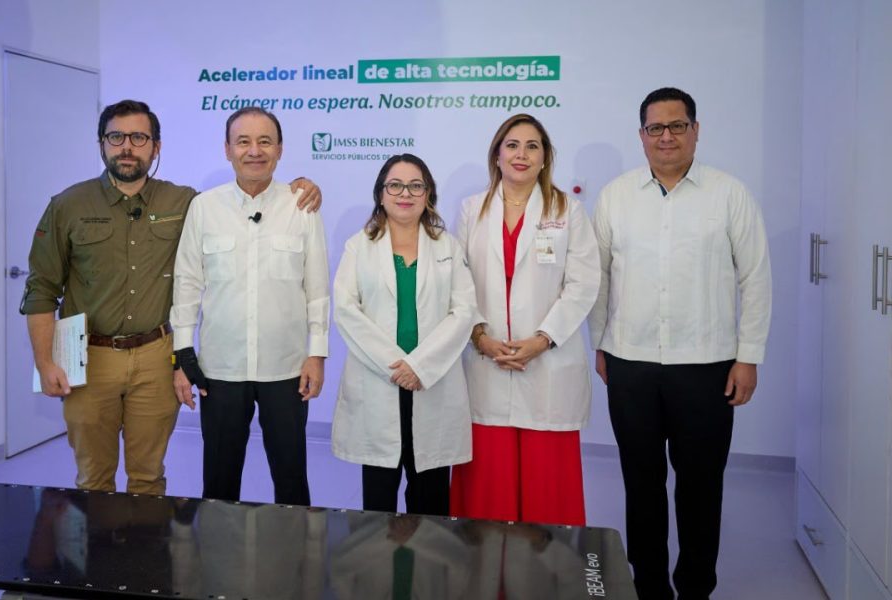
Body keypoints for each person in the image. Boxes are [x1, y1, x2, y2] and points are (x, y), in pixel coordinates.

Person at [21, 99, 321, 495]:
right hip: (90, 358)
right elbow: (41, 289)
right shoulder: (68, 205)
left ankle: (145, 540)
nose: (127, 147)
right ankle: (99, 539)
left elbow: (245, 195)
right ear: (101, 144)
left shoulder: (185, 203)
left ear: (156, 146)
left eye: (139, 137)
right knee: (93, 478)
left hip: (155, 357)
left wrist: (302, 185)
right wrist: (45, 363)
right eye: (116, 137)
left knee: (148, 477)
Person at [588, 87, 772, 600]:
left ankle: (694, 588)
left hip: (706, 366)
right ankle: (648, 586)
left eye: (677, 125)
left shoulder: (729, 194)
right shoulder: (616, 196)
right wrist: (600, 343)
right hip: (630, 363)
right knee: (641, 483)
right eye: (656, 127)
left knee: (701, 486)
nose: (666, 136)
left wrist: (749, 356)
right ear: (641, 135)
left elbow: (755, 278)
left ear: (695, 130)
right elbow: (599, 278)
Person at [171, 106, 329, 506]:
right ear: (227, 149)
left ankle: (294, 546)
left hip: (286, 369)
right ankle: (218, 545)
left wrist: (317, 354)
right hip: (220, 369)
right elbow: (187, 284)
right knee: (219, 482)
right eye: (243, 141)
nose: (254, 151)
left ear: (280, 149)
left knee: (291, 479)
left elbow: (317, 289)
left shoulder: (302, 206)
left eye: (265, 141)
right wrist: (182, 355)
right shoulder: (204, 207)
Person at [450, 113, 600, 526]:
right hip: (487, 360)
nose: (521, 154)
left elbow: (583, 283)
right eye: (512, 145)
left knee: (546, 487)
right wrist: (479, 336)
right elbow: (458, 280)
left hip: (547, 363)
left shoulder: (568, 210)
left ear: (545, 157)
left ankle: (545, 565)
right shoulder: (471, 210)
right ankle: (484, 565)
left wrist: (542, 339)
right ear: (497, 155)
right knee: (488, 486)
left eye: (532, 146)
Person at [331, 154, 476, 516]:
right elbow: (346, 310)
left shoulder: (447, 245)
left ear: (428, 195)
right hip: (381, 379)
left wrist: (420, 367)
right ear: (381, 194)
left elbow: (463, 311)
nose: (405, 194)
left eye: (415, 186)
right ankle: (379, 556)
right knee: (378, 503)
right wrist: (397, 366)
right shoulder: (359, 246)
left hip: (432, 381)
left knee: (431, 501)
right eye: (395, 185)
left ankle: (424, 556)